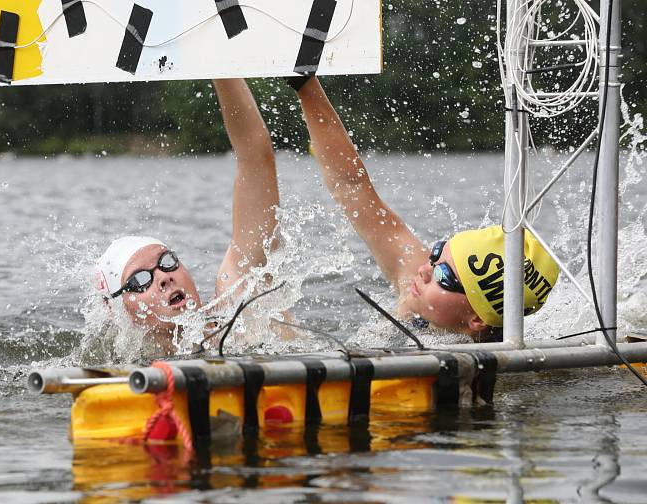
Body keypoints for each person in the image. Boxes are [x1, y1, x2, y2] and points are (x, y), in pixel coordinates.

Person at [287, 76, 559, 342]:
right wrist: (304, 83)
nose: (425, 271)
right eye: (436, 255)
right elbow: (352, 188)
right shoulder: (416, 288)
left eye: (443, 276)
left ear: (476, 320)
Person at [95, 79, 282, 354]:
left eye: (167, 262)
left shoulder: (238, 310)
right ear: (120, 311)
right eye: (139, 281)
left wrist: (221, 67)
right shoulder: (123, 370)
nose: (163, 277)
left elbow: (255, 157)